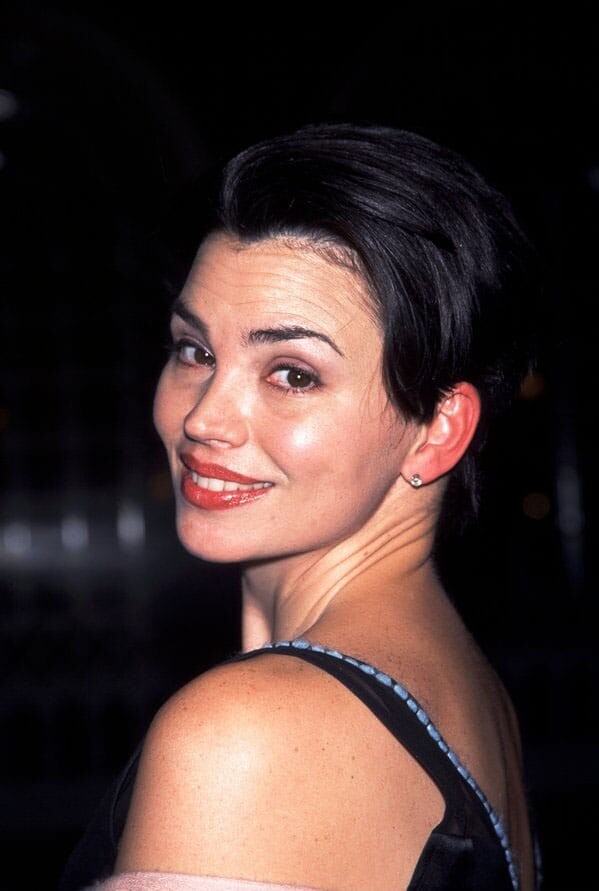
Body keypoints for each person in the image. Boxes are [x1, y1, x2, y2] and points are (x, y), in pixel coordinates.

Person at [61, 123, 538, 891]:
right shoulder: (471, 693)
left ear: (436, 429)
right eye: (194, 351)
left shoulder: (247, 732)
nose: (203, 418)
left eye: (291, 373)